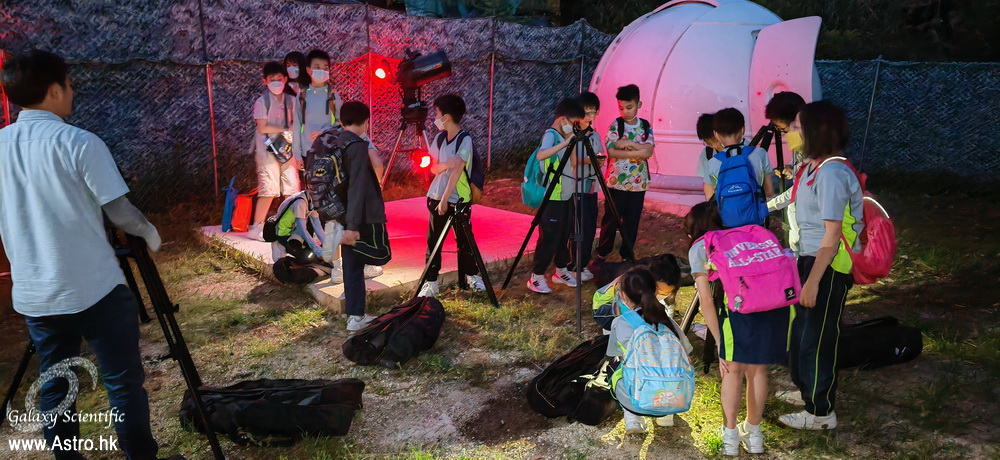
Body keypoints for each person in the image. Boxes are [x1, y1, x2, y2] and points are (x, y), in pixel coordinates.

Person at [0, 50, 181, 460]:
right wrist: (150, 233)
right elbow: (119, 211)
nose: (72, 91)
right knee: (122, 382)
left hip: (36, 294)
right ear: (53, 90)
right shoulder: (79, 142)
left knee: (55, 383)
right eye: (68, 84)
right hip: (96, 289)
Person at [779, 101, 862, 431]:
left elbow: (832, 235)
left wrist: (813, 281)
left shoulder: (832, 174)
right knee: (801, 331)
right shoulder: (813, 167)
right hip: (808, 260)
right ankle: (806, 390)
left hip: (826, 265)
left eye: (796, 127)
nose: (789, 132)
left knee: (818, 338)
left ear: (815, 132)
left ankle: (821, 412)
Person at [685, 202, 788, 455]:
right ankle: (754, 435)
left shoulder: (701, 247)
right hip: (771, 307)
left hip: (738, 312)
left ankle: (730, 437)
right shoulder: (746, 236)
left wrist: (720, 342)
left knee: (732, 370)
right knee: (758, 371)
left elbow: (706, 300)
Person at [310, 101, 391, 332]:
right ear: (366, 122)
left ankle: (355, 317)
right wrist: (353, 226)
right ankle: (356, 315)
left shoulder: (331, 141)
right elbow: (357, 186)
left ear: (342, 121)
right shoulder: (356, 145)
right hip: (361, 214)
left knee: (352, 264)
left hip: (340, 211)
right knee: (381, 253)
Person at [605, 267, 692, 433]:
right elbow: (686, 352)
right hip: (674, 398)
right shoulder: (667, 321)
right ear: (655, 291)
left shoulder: (620, 322)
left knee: (615, 368)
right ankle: (666, 416)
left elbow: (612, 354)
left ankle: (632, 419)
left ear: (623, 295)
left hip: (638, 402)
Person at [416, 94, 485, 297]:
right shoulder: (439, 138)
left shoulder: (465, 140)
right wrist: (447, 164)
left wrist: (446, 198)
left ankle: (472, 276)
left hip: (458, 199)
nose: (435, 118)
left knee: (465, 240)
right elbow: (434, 168)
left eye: (437, 113)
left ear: (446, 117)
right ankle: (431, 282)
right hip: (436, 195)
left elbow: (457, 172)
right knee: (434, 241)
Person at [527, 98, 586, 294]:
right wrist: (565, 143)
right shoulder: (551, 135)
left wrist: (572, 144)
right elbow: (541, 155)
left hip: (566, 194)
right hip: (553, 196)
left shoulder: (563, 136)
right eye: (573, 122)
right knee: (549, 237)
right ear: (563, 119)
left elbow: (572, 164)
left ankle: (561, 270)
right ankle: (536, 277)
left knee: (564, 235)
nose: (574, 126)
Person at [596, 84, 654, 261]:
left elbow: (648, 152)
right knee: (611, 218)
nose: (625, 112)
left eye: (629, 107)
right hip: (617, 182)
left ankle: (627, 254)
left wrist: (629, 144)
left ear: (639, 104)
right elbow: (612, 151)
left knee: (632, 220)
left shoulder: (645, 126)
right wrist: (638, 151)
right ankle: (603, 251)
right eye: (621, 108)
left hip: (638, 183)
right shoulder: (616, 125)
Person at [248, 61, 300, 241]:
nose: (276, 82)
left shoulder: (292, 101)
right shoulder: (262, 102)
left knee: (292, 189)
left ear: (285, 79)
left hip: (288, 149)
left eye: (279, 79)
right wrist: (287, 127)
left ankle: (290, 227)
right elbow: (262, 127)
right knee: (268, 188)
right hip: (267, 151)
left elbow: (299, 123)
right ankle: (257, 227)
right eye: (272, 80)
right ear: (265, 81)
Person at [565, 91, 604, 283]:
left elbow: (599, 155)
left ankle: (583, 264)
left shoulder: (594, 135)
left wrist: (599, 161)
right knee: (577, 227)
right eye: (585, 112)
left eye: (592, 112)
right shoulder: (572, 135)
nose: (589, 116)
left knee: (589, 226)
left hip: (591, 187)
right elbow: (571, 161)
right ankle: (573, 265)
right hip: (575, 186)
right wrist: (590, 160)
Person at [763, 91, 807, 252]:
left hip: (808, 221)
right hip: (798, 213)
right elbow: (799, 161)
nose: (785, 135)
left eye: (784, 130)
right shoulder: (798, 137)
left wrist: (767, 206)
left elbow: (798, 190)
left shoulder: (813, 146)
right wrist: (791, 168)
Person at [592, 254, 680, 333]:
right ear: (648, 282)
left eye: (665, 293)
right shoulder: (631, 287)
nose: (659, 294)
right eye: (658, 290)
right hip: (603, 310)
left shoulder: (647, 280)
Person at [704, 108, 775, 202]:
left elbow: (710, 195)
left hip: (727, 210)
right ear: (743, 130)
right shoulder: (760, 153)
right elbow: (769, 192)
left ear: (716, 134)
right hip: (755, 209)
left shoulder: (713, 162)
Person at [294, 49, 343, 170]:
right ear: (308, 70)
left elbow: (341, 123)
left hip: (329, 149)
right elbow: (297, 125)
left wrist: (323, 132)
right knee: (310, 181)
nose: (322, 71)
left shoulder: (333, 95)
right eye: (317, 67)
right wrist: (297, 154)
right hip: (307, 151)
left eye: (325, 68)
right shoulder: (302, 95)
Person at [695, 113, 724, 200]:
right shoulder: (708, 153)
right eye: (708, 143)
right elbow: (706, 182)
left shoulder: (745, 149)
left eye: (715, 141)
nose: (714, 146)